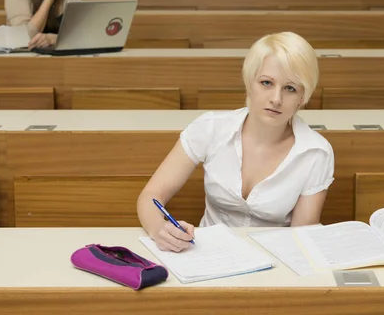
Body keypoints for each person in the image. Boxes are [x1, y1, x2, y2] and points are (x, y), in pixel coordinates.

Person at [137, 32, 335, 252]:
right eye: (266, 83)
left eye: (290, 88)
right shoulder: (210, 128)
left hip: (277, 260)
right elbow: (151, 195)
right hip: (206, 255)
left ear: (302, 96)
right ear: (249, 83)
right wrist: (159, 229)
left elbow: (301, 237)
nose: (276, 99)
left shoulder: (316, 152)